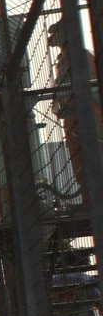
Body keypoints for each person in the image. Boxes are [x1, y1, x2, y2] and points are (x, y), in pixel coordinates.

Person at [47, 20, 102, 191]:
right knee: (80, 161)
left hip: (89, 114)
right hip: (73, 116)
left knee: (94, 155)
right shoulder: (64, 59)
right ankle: (88, 193)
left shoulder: (82, 56)